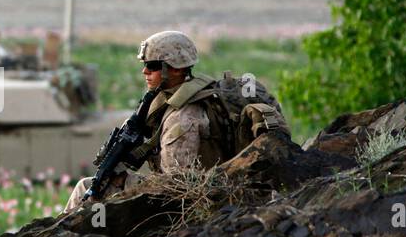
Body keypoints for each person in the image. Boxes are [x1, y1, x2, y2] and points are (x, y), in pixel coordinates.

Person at [64, 30, 287, 210]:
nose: (144, 72)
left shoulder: (182, 116)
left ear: (174, 70)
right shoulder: (189, 93)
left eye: (152, 66)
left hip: (191, 201)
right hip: (210, 188)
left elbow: (177, 188)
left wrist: (125, 183)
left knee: (86, 188)